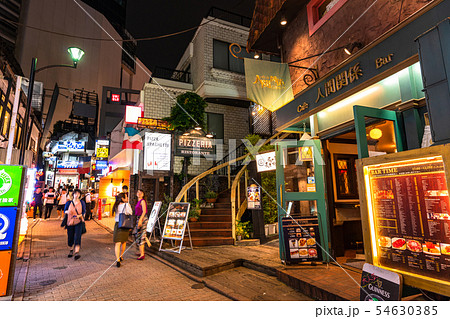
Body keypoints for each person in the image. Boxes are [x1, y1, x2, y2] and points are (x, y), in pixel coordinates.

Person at [64, 189, 86, 260]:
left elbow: (84, 212)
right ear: (73, 194)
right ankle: (71, 250)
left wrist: (80, 216)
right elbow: (65, 211)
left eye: (78, 194)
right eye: (75, 193)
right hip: (70, 222)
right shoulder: (69, 203)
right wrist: (68, 212)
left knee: (77, 236)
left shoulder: (82, 202)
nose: (77, 195)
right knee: (70, 236)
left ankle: (77, 252)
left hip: (78, 221)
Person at [112, 193, 133, 267]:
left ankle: (117, 260)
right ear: (123, 198)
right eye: (126, 197)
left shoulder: (116, 205)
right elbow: (130, 213)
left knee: (117, 243)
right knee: (123, 242)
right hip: (124, 224)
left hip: (117, 225)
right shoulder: (126, 205)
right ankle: (121, 256)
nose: (127, 198)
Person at [134, 189, 150, 260]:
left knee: (141, 235)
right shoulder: (138, 201)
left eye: (141, 192)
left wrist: (140, 220)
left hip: (142, 219)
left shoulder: (142, 201)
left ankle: (142, 254)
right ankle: (141, 252)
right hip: (139, 218)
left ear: (143, 194)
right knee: (138, 235)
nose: (139, 193)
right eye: (138, 192)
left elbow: (144, 212)